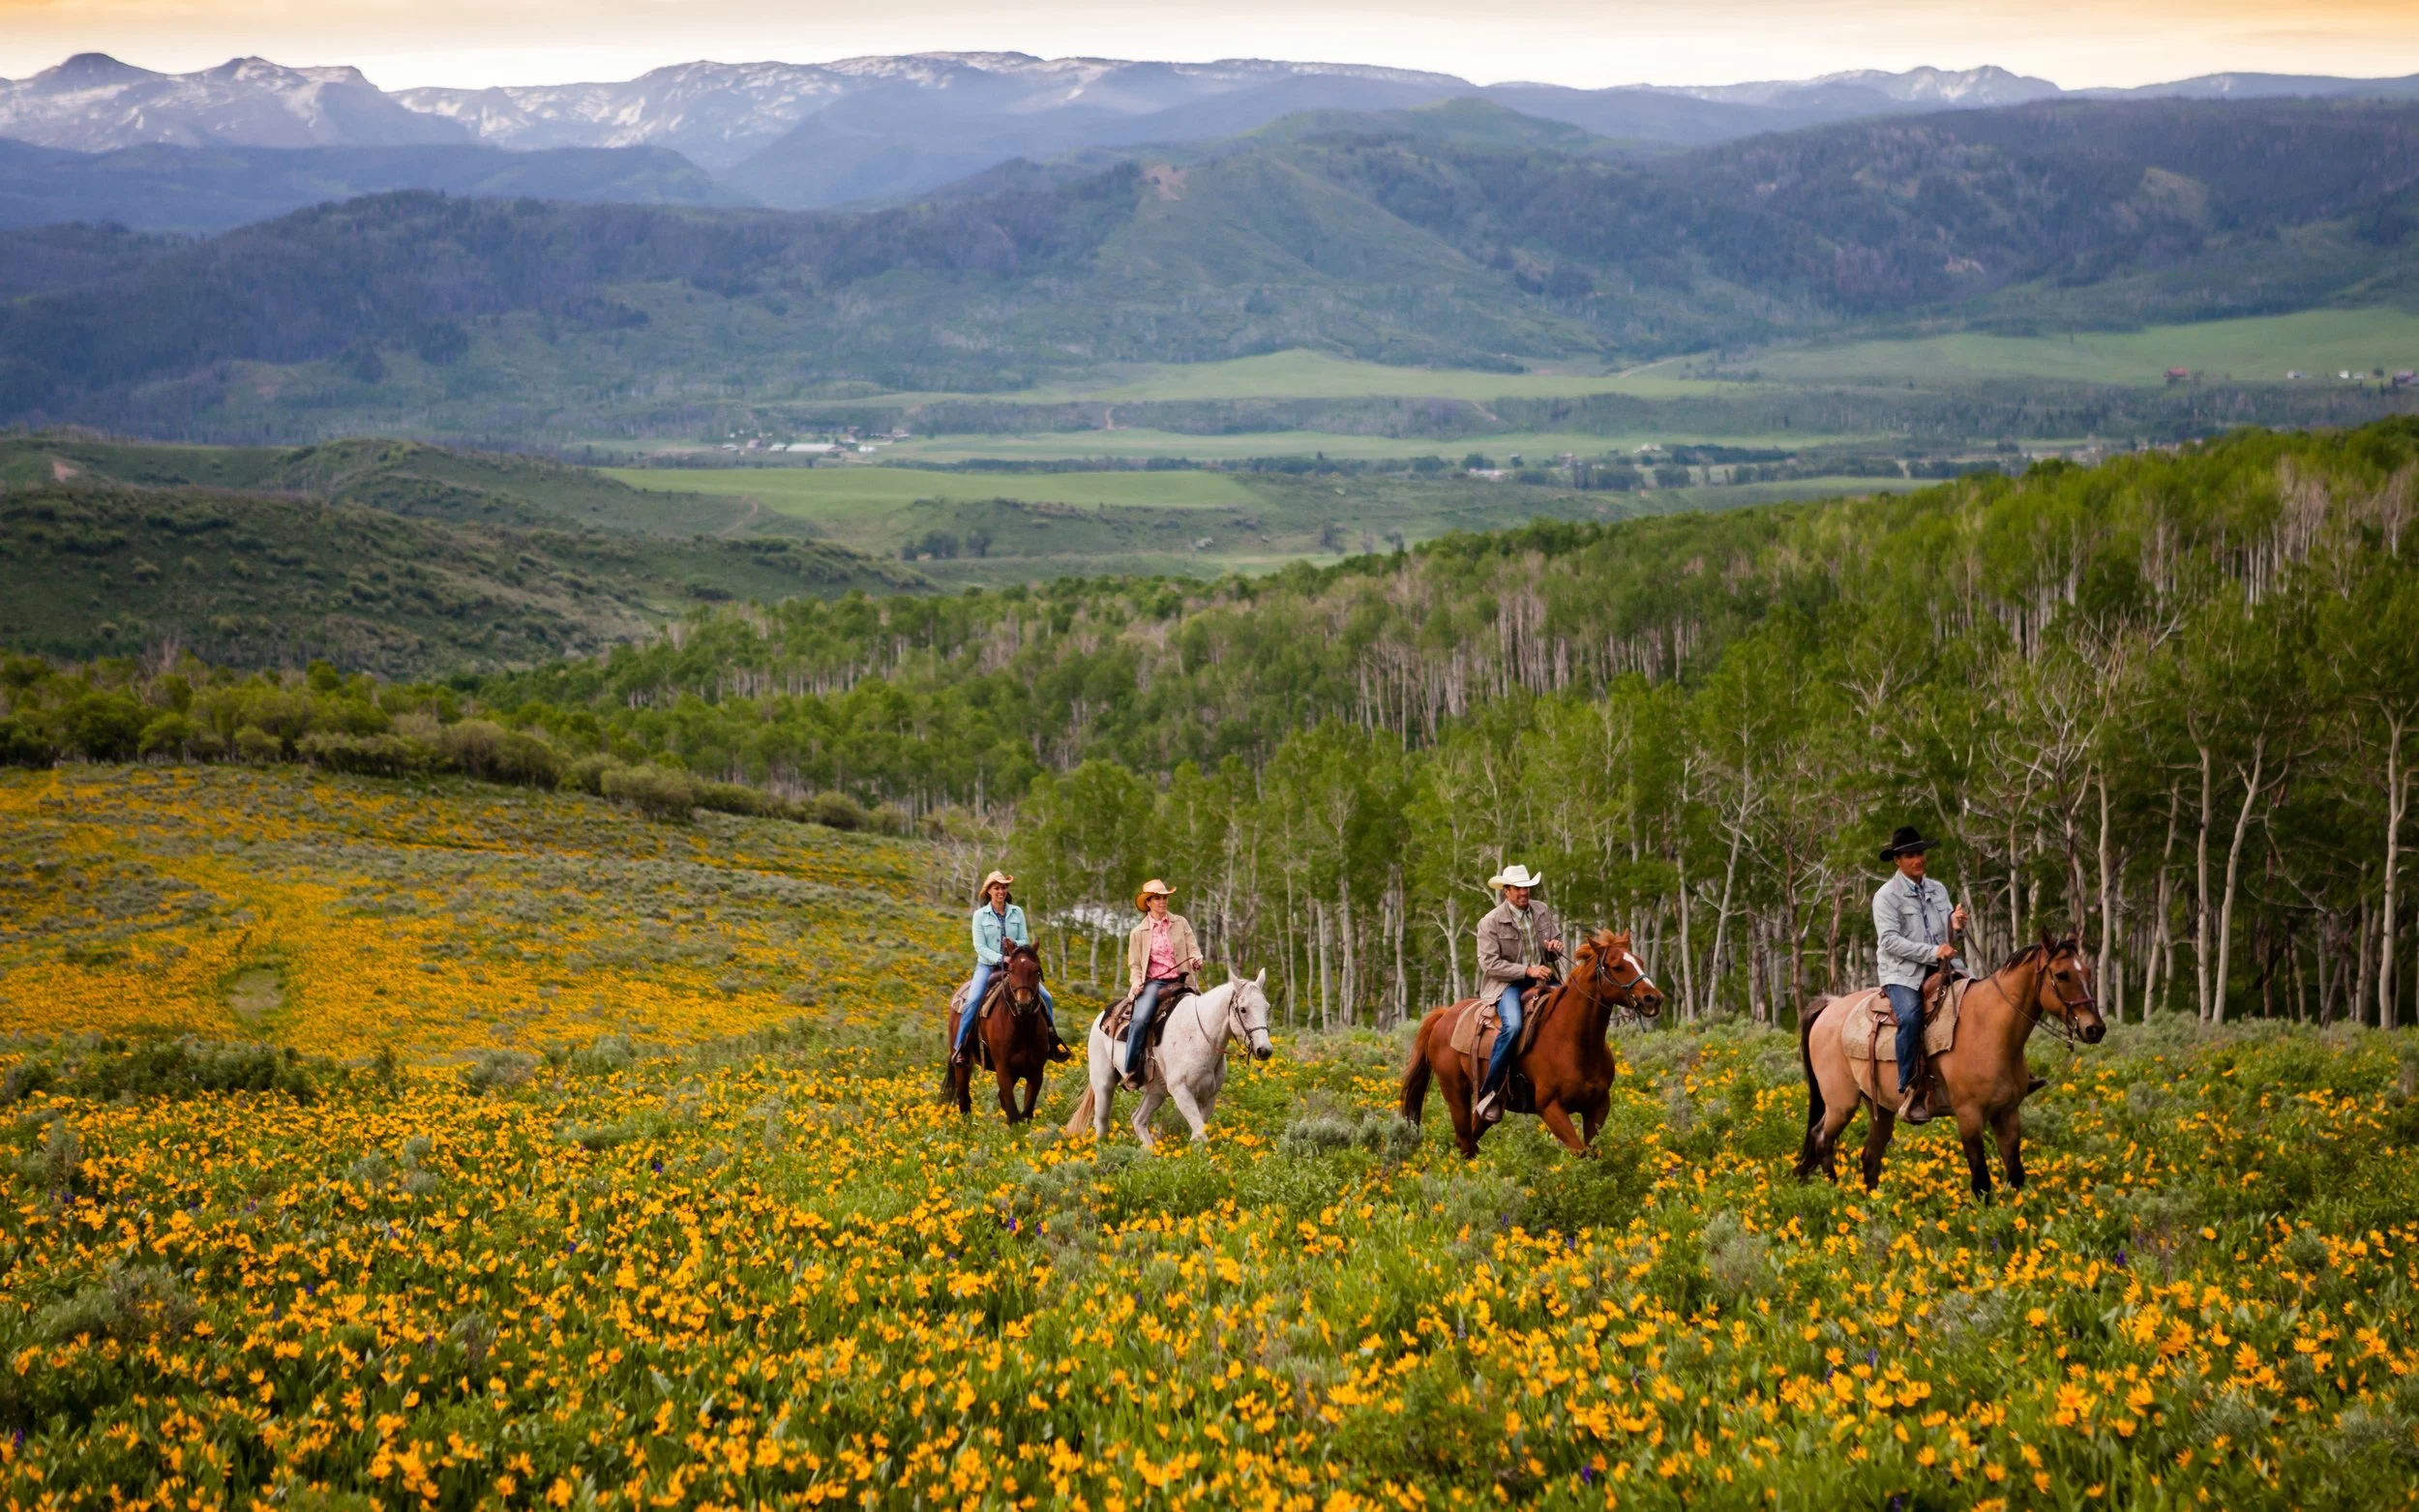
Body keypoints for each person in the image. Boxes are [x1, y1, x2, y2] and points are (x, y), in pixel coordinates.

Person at [1872, 825, 1967, 1125]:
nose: (1918, 859)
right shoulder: (1886, 896)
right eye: (1911, 855)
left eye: (1920, 853)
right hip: (1902, 972)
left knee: (1979, 998)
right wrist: (1932, 953)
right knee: (1911, 1017)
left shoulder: (1938, 889)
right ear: (1897, 861)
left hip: (1942, 966)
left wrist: (1957, 923)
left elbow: (1949, 930)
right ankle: (1909, 1086)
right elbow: (1888, 941)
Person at [1473, 864, 1563, 1122]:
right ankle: (1490, 1091)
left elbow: (1551, 948)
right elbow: (1489, 964)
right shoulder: (1489, 922)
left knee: (1575, 1009)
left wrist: (1554, 948)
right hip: (1508, 985)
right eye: (1519, 889)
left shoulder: (1542, 911)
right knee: (1512, 1026)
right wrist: (1528, 971)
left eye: (1527, 888)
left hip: (1544, 978)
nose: (1524, 893)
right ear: (1506, 891)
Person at [953, 871, 1067, 1064]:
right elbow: (979, 947)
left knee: (1046, 997)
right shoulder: (980, 916)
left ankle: (1052, 1041)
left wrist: (1014, 950)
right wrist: (1002, 959)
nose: (1001, 891)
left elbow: (1024, 939)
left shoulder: (1017, 912)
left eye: (1004, 887)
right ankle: (961, 1046)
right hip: (988, 966)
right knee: (972, 1001)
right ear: (989, 891)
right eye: (997, 888)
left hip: (1015, 967)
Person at [1120, 878, 1202, 1090]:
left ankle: (1205, 1067)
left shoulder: (1180, 923)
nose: (1162, 901)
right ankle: (1131, 1070)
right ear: (1148, 902)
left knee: (1206, 1016)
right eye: (1157, 898)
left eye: (1164, 897)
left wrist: (1195, 959)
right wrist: (1137, 982)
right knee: (1139, 1020)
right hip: (1155, 984)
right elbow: (1135, 965)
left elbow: (1193, 948)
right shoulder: (1138, 933)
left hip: (1181, 980)